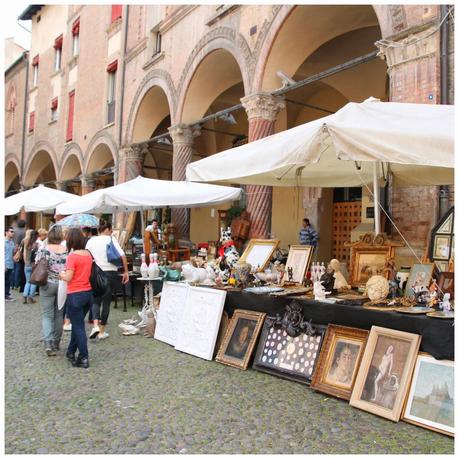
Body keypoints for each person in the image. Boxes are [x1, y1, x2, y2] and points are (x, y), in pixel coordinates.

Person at [86, 219, 129, 340]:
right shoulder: (111, 239)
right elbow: (122, 256)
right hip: (110, 273)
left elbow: (87, 256)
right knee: (106, 302)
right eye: (111, 231)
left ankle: (95, 325)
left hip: (95, 273)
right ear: (108, 230)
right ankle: (102, 331)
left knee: (95, 300)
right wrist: (126, 272)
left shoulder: (91, 241)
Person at [59, 228, 94, 368]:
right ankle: (70, 351)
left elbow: (68, 277)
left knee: (78, 327)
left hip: (75, 294)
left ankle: (84, 357)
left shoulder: (72, 256)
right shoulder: (88, 255)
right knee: (78, 323)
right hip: (88, 294)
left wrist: (61, 274)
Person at [36, 225, 68, 356]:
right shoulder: (66, 250)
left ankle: (48, 342)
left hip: (47, 283)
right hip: (62, 284)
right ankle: (56, 342)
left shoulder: (44, 249)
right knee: (59, 314)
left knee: (47, 314)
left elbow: (37, 261)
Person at [22, 229, 39, 304]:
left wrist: (26, 262)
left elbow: (24, 254)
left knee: (27, 281)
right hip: (34, 265)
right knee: (34, 282)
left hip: (27, 264)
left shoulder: (26, 243)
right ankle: (30, 297)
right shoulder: (36, 245)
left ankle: (24, 296)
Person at [12, 219, 27, 290]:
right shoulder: (24, 232)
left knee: (13, 268)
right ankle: (17, 284)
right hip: (20, 251)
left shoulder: (14, 231)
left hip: (13, 250)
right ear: (24, 225)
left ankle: (12, 284)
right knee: (19, 268)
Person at [4, 227, 16, 302]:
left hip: (11, 263)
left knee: (8, 280)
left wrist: (16, 250)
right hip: (5, 264)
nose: (13, 233)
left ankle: (7, 294)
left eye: (13, 232)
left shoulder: (12, 242)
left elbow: (12, 254)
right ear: (6, 232)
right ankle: (4, 295)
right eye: (11, 231)